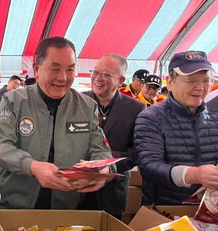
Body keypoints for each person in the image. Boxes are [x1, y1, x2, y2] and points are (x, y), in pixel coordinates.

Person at [0, 37, 113, 210]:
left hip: (66, 208)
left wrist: (102, 169)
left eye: (70, 69)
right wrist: (31, 166)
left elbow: (100, 149)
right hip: (16, 206)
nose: (62, 78)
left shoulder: (86, 106)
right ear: (36, 69)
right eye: (55, 69)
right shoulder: (14, 101)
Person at [135, 51, 218, 205]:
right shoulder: (151, 117)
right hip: (165, 212)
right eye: (191, 80)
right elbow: (149, 167)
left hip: (209, 211)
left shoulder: (215, 116)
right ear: (170, 82)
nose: (200, 87)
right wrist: (193, 175)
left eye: (206, 81)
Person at [79, 54, 145, 218]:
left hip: (112, 191)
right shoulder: (78, 101)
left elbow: (138, 152)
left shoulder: (135, 108)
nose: (98, 78)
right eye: (95, 72)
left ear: (121, 80)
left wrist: (107, 162)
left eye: (106, 74)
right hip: (77, 189)